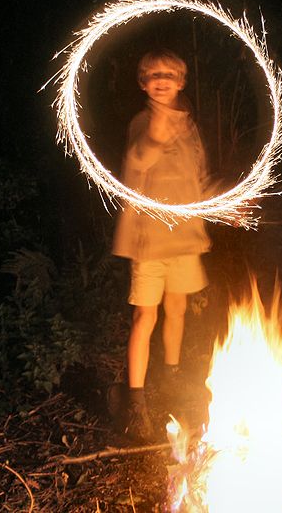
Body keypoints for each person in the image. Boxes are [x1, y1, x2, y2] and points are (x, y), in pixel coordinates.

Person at [110, 48, 211, 443]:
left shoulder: (190, 127)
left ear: (182, 82)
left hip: (184, 237)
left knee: (178, 309)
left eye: (170, 73)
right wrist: (155, 136)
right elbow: (135, 163)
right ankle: (135, 402)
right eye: (154, 74)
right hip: (149, 239)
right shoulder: (142, 122)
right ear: (143, 82)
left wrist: (228, 203)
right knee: (144, 317)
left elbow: (198, 181)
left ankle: (170, 377)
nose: (163, 79)